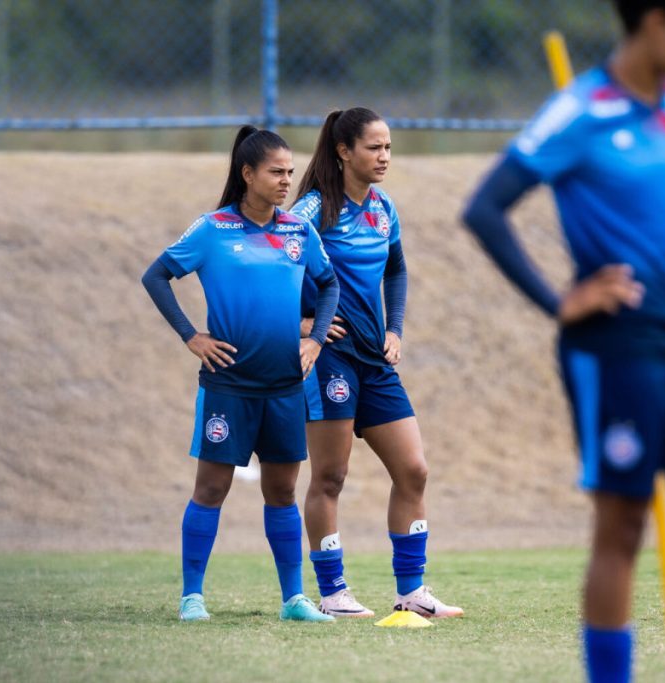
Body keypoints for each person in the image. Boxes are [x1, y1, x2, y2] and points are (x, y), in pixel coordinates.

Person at [462, 1, 665, 680]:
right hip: (614, 351)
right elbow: (485, 208)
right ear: (653, 19)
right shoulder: (580, 109)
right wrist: (560, 301)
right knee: (622, 530)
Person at [142, 125, 339, 624]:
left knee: (282, 492)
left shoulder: (298, 229)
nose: (285, 181)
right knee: (211, 489)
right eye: (276, 172)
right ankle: (192, 597)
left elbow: (329, 281)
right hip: (229, 385)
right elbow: (157, 275)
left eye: (290, 173)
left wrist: (314, 341)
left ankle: (294, 600)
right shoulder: (213, 229)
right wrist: (192, 336)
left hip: (285, 387)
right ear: (247, 173)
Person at [289, 108, 462, 619]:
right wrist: (301, 326)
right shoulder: (311, 212)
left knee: (414, 470)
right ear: (345, 151)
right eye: (374, 147)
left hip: (375, 361)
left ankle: (411, 592)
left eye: (388, 147)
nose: (384, 156)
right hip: (331, 359)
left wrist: (395, 329)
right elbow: (271, 269)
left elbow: (398, 271)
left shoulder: (384, 207)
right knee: (331, 477)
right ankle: (334, 594)